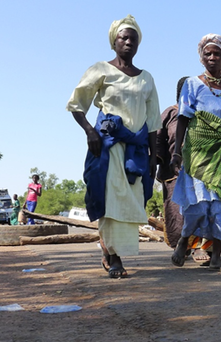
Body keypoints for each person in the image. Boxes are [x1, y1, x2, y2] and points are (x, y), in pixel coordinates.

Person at [67, 15, 161, 278]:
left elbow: (153, 121)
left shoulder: (146, 79)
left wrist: (154, 156)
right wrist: (89, 132)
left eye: (133, 38)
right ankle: (114, 257)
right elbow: (76, 104)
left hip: (137, 150)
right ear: (114, 42)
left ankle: (109, 250)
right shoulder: (101, 70)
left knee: (131, 200)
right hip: (107, 146)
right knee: (110, 199)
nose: (129, 42)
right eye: (124, 37)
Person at [169, 33, 221, 272]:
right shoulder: (192, 84)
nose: (213, 57)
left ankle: (216, 257)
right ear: (201, 57)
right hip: (198, 153)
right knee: (197, 204)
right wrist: (177, 152)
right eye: (208, 53)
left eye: (217, 53)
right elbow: (184, 118)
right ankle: (184, 241)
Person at [157, 77, 189, 249]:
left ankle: (199, 246)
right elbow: (158, 137)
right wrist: (158, 160)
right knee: (176, 209)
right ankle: (180, 246)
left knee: (198, 208)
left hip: (199, 168)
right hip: (173, 170)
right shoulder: (170, 113)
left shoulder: (203, 113)